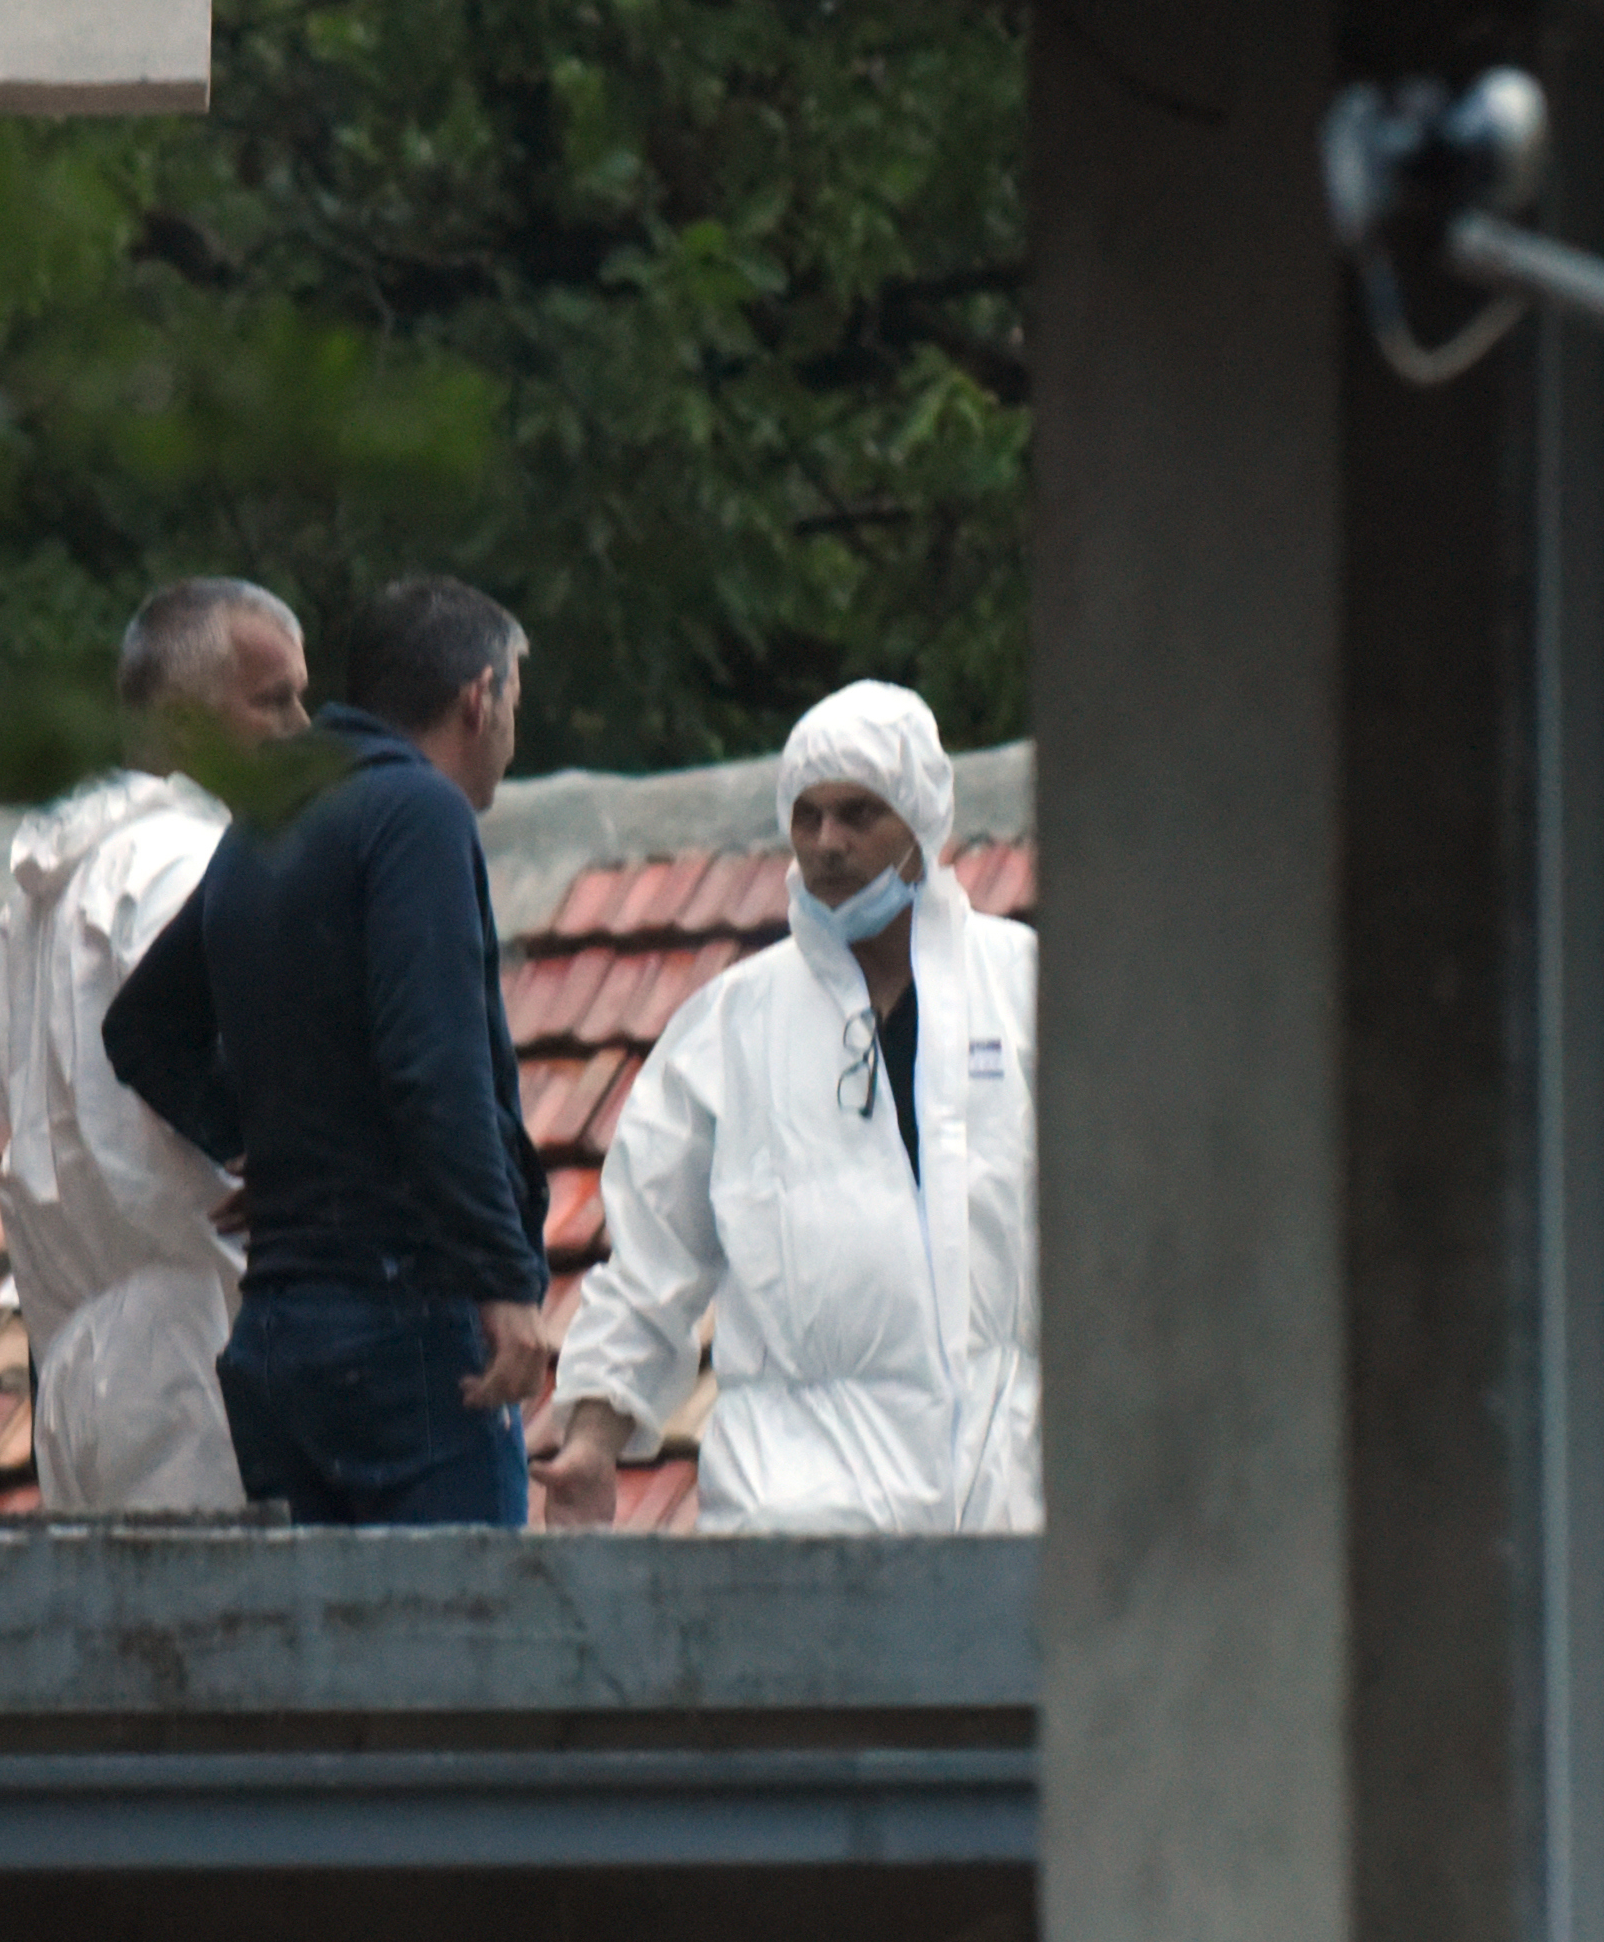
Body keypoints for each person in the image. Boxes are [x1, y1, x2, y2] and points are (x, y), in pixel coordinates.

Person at [102, 575, 554, 1526]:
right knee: (462, 1654)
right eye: (514, 699)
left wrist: (271, 1137)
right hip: (408, 1326)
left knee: (323, 1670)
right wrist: (504, 1281)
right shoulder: (418, 814)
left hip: (279, 1336)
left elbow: (142, 1026)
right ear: (480, 697)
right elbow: (437, 1069)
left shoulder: (266, 824)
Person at [538, 681, 1040, 1533]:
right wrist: (591, 1438)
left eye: (856, 813)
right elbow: (648, 1266)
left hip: (1002, 1513)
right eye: (805, 816)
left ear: (920, 821)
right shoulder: (731, 1028)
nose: (826, 842)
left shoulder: (1026, 993)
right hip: (797, 1525)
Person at [0, 577, 308, 1512]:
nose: (300, 725)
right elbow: (234, 1064)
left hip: (77, 1365)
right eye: (271, 699)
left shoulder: (29, 912)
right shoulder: (186, 865)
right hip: (193, 1345)